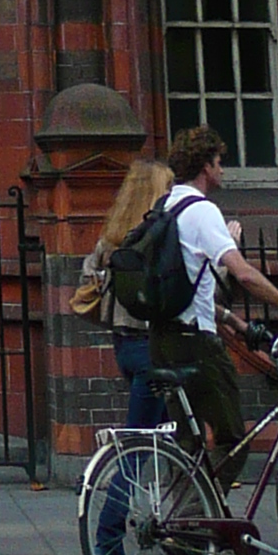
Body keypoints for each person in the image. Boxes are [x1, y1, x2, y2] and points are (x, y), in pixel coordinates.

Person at [149, 121, 278, 488]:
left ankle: (182, 532)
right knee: (233, 440)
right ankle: (198, 519)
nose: (222, 169)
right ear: (206, 166)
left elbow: (189, 287)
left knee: (188, 443)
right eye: (219, 161)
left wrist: (234, 322)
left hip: (162, 339)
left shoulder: (165, 207)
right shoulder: (202, 210)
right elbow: (243, 275)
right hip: (197, 345)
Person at [87, 156, 172, 431]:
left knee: (171, 436)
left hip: (123, 345)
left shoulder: (113, 238)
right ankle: (117, 477)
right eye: (168, 187)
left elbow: (88, 270)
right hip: (151, 346)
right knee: (140, 442)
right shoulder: (156, 239)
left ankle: (181, 474)